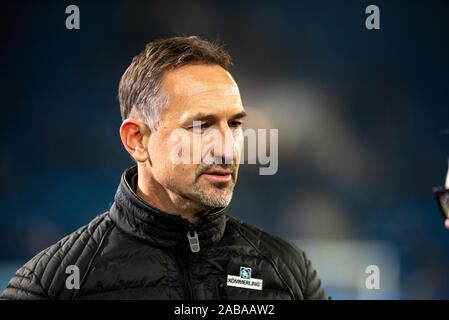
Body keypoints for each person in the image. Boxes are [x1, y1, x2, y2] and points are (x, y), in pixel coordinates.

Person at [0, 36, 328, 300]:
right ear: (137, 140)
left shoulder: (290, 272)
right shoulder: (49, 285)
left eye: (235, 124)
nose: (228, 149)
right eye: (201, 126)